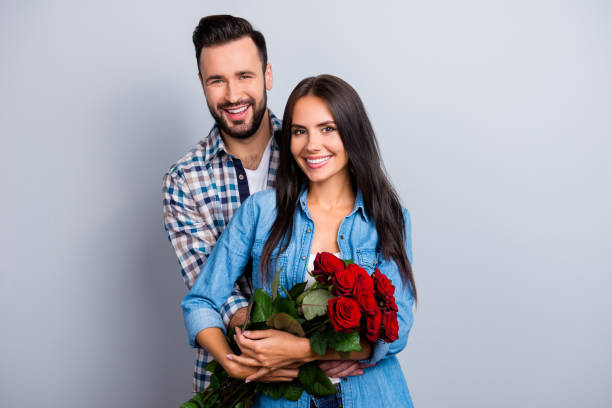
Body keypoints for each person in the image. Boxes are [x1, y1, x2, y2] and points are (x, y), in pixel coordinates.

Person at [182, 74, 417, 407]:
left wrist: (297, 350)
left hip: (373, 396)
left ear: (352, 133)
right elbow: (200, 302)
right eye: (299, 132)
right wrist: (232, 363)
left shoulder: (389, 218)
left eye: (327, 129)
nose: (312, 146)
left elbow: (397, 328)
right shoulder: (260, 212)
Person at [163, 15, 363, 392]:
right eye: (216, 80)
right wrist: (261, 349)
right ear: (203, 86)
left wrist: (308, 349)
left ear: (267, 76)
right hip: (229, 375)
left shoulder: (313, 151)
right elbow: (208, 288)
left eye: (244, 76)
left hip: (326, 377)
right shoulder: (183, 180)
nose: (233, 94)